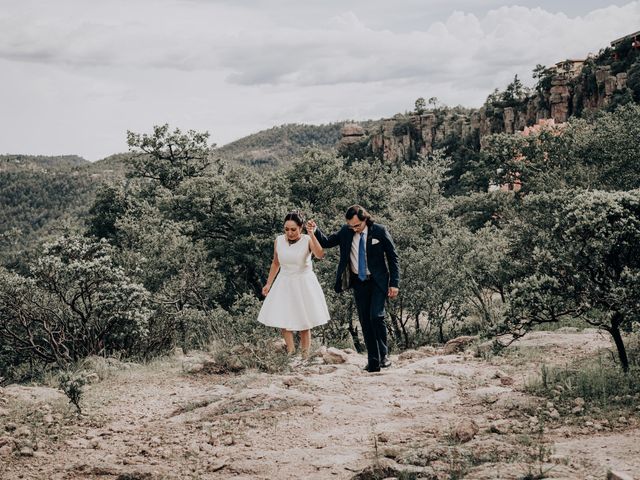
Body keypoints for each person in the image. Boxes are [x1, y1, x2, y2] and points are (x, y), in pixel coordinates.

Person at [310, 205, 399, 373]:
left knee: (376, 316)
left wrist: (394, 283)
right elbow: (327, 242)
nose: (354, 229)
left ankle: (384, 355)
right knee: (365, 321)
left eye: (357, 225)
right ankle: (373, 362)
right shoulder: (346, 231)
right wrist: (315, 230)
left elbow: (393, 257)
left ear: (365, 219)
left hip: (378, 281)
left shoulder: (379, 231)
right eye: (351, 226)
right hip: (359, 282)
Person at [257, 211, 330, 358]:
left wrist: (312, 235)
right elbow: (276, 262)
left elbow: (320, 255)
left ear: (301, 227)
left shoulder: (307, 240)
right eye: (286, 229)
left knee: (304, 320)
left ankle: (305, 355)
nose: (289, 233)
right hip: (284, 281)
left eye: (293, 229)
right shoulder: (278, 240)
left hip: (303, 282)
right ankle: (290, 352)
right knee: (283, 317)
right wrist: (268, 283)